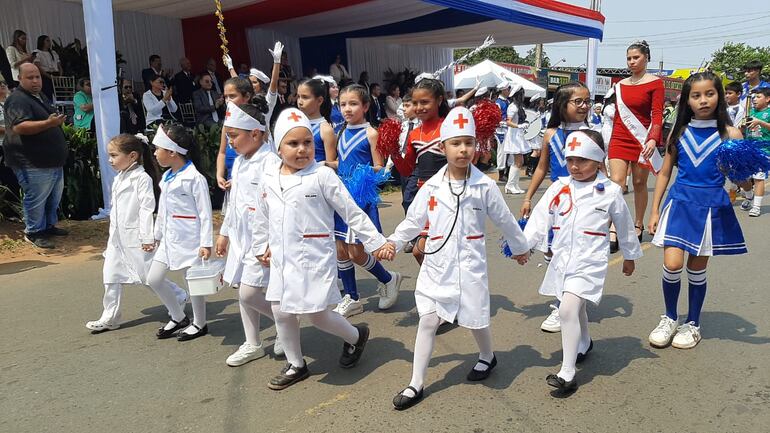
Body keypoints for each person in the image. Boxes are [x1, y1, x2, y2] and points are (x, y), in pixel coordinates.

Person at [381, 107, 530, 410]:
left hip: (469, 264)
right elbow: (412, 221)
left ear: (477, 147)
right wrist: (394, 243)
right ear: (442, 147)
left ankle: (487, 356)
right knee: (428, 320)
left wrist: (520, 248)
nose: (463, 150)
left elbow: (505, 220)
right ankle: (416, 383)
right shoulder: (432, 186)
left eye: (469, 143)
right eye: (456, 143)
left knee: (475, 319)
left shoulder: (485, 186)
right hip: (437, 266)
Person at [252, 108, 392, 390]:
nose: (302, 149)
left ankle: (355, 336)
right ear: (278, 147)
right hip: (281, 257)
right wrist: (261, 244)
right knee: (280, 311)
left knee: (315, 315)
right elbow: (261, 215)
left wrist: (376, 243)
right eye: (293, 144)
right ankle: (296, 364)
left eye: (308, 143)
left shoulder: (322, 176)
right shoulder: (268, 177)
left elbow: (351, 212)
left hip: (312, 256)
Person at [524, 129, 641, 395]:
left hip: (590, 261)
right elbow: (541, 218)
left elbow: (624, 225)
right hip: (562, 258)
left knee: (567, 310)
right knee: (575, 307)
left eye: (583, 160)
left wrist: (630, 256)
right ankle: (585, 342)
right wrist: (524, 245)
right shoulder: (559, 186)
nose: (575, 166)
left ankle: (567, 372)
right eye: (570, 160)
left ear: (599, 160)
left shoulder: (610, 191)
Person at [647, 72, 746, 350]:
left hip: (710, 208)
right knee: (673, 264)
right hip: (679, 204)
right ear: (687, 101)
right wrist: (654, 211)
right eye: (696, 95)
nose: (703, 100)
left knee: (696, 268)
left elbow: (743, 181)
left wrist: (741, 173)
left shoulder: (730, 133)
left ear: (719, 96)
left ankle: (693, 323)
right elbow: (665, 173)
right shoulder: (679, 132)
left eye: (710, 94)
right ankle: (669, 316)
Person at [85, 133, 187, 332]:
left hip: (137, 237)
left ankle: (177, 295)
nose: (110, 160)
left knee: (148, 277)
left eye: (114, 155)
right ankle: (110, 317)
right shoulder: (119, 178)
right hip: (117, 238)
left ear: (132, 156)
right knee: (111, 275)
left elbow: (146, 208)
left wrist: (147, 237)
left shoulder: (142, 178)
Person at [215, 100, 284, 365]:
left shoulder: (270, 162)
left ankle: (284, 321)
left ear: (255, 133)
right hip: (241, 235)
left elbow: (276, 206)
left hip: (262, 238)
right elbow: (234, 202)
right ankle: (252, 342)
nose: (230, 142)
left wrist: (269, 241)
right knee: (242, 288)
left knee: (250, 292)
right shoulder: (242, 162)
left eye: (234, 136)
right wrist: (225, 232)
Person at [520, 82, 591, 333]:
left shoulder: (591, 134)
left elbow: (600, 169)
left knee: (572, 251)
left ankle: (563, 305)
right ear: (562, 105)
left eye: (587, 101)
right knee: (551, 251)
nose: (584, 106)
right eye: (578, 101)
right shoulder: (551, 134)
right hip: (555, 200)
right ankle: (563, 299)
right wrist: (528, 197)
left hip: (582, 200)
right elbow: (541, 167)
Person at [333, 84, 403, 316]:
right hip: (339, 196)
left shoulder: (371, 133)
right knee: (341, 250)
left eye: (353, 104)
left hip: (359, 199)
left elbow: (379, 168)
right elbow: (339, 163)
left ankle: (388, 278)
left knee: (356, 252)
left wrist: (363, 175)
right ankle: (351, 297)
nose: (347, 109)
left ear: (365, 106)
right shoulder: (341, 131)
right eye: (343, 104)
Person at [148, 124, 214, 341]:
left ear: (173, 152)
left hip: (189, 239)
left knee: (192, 282)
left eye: (158, 148)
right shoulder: (167, 177)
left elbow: (205, 213)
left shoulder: (195, 178)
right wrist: (156, 235)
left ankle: (199, 322)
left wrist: (206, 243)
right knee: (154, 279)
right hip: (168, 239)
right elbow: (163, 210)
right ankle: (178, 316)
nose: (155, 153)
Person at [3, 63, 68, 249]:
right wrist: (49, 124)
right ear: (20, 79)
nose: (35, 81)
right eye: (30, 77)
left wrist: (54, 123)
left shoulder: (39, 96)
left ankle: (47, 226)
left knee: (52, 197)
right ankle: (34, 232)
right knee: (37, 198)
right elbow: (19, 127)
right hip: (31, 161)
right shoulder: (17, 99)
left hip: (51, 160)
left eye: (37, 76)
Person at [607, 40, 664, 250]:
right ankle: (614, 227)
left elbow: (657, 114)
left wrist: (652, 138)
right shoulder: (620, 85)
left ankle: (638, 224)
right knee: (617, 183)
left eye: (636, 57)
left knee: (639, 183)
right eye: (629, 58)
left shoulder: (655, 83)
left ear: (646, 57)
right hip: (620, 137)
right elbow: (618, 117)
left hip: (642, 138)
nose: (632, 62)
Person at [215, 77, 254, 194]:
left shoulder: (255, 121)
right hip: (230, 181)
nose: (228, 101)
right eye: (226, 97)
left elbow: (258, 156)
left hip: (251, 183)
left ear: (246, 96)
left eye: (232, 96)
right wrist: (219, 175)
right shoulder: (227, 122)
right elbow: (222, 152)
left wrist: (238, 179)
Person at [739, 87, 770, 217]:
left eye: (758, 97)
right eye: (754, 97)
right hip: (748, 148)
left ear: (768, 99)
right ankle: (749, 195)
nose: (755, 100)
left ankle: (756, 206)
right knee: (741, 176)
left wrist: (760, 122)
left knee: (758, 177)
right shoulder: (750, 112)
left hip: (763, 149)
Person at [296, 77, 337, 167]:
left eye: (305, 97)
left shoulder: (325, 130)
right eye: (298, 96)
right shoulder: (295, 123)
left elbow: (331, 165)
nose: (300, 102)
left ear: (319, 100)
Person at [501, 85, 530, 194]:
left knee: (520, 161)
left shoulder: (518, 106)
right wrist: (518, 126)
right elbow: (508, 121)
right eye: (522, 93)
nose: (524, 95)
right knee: (518, 161)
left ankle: (514, 184)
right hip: (514, 135)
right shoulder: (512, 107)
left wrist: (524, 124)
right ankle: (509, 185)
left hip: (518, 135)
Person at [32, 35, 61, 101]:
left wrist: (60, 75)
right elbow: (38, 67)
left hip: (56, 74)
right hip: (45, 75)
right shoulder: (37, 52)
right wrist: (49, 76)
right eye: (47, 41)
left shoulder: (53, 52)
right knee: (48, 94)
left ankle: (61, 109)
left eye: (49, 41)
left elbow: (59, 65)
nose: (49, 42)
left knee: (59, 94)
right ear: (42, 42)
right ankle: (50, 110)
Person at [494, 82, 512, 182]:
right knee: (502, 152)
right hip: (501, 130)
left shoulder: (508, 102)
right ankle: (501, 174)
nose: (509, 91)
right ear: (503, 90)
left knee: (510, 151)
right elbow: (497, 118)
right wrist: (505, 123)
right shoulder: (498, 103)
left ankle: (508, 172)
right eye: (508, 89)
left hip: (508, 129)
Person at [0, 79, 8, 145]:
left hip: (16, 142)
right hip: (2, 143)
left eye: (5, 83)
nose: (3, 85)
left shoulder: (13, 102)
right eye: (0, 84)